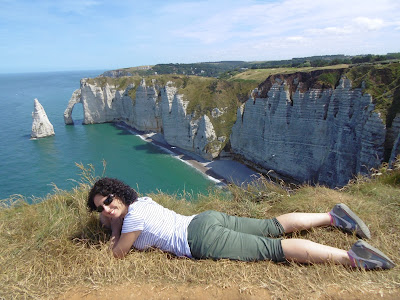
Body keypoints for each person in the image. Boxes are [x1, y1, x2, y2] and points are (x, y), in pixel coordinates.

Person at [87, 177, 395, 270]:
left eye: (110, 201)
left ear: (120, 194)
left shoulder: (132, 220)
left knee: (274, 249)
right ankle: (333, 216)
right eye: (102, 207)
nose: (109, 209)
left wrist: (114, 227)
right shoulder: (143, 202)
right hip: (205, 218)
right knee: (270, 225)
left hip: (201, 241)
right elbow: (113, 219)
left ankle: (352, 258)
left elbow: (118, 253)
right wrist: (113, 216)